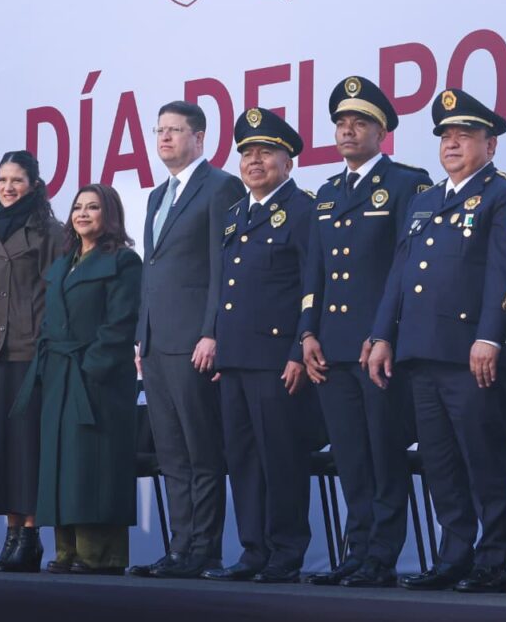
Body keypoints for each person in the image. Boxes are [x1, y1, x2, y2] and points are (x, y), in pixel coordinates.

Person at [367, 89, 506, 593]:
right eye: (446, 135)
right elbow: (400, 274)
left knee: (483, 459)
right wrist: (381, 335)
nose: (453, 143)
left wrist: (490, 337)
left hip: (470, 354)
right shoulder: (426, 199)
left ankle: (493, 560)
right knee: (440, 463)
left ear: (491, 145)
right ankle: (453, 554)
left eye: (465, 135)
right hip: (419, 351)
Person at [300, 76, 431, 588]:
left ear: (383, 132)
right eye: (341, 123)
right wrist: (307, 333)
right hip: (331, 346)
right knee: (350, 454)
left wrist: (387, 333)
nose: (348, 130)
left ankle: (382, 555)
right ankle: (356, 550)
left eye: (360, 122)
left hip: (377, 346)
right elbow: (314, 272)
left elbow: (406, 269)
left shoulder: (406, 184)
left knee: (383, 451)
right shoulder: (328, 193)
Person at [130, 101, 245, 579]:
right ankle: (180, 548)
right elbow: (151, 272)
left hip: (194, 340)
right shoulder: (158, 196)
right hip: (156, 344)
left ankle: (205, 550)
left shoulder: (221, 187)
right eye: (160, 130)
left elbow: (224, 269)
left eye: (175, 130)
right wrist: (140, 337)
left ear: (199, 138)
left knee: (201, 451)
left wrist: (211, 331)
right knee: (172, 453)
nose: (165, 138)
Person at [202, 107, 313, 584]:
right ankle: (253, 550)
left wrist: (296, 352)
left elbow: (312, 286)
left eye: (265, 152)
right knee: (243, 459)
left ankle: (286, 552)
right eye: (246, 153)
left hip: (276, 361)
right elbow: (227, 287)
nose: (253, 161)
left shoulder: (305, 210)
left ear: (287, 160)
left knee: (281, 458)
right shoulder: (233, 216)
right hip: (237, 359)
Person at [12, 184, 141, 576]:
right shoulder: (64, 263)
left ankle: (100, 555)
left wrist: (92, 367)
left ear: (110, 214)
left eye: (93, 207)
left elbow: (120, 324)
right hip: (60, 376)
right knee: (62, 465)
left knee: (93, 466)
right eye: (78, 207)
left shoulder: (123, 262)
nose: (83, 213)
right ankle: (66, 550)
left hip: (97, 379)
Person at [0, 150, 62, 572]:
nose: (7, 188)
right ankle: (10, 537)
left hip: (30, 352)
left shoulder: (52, 233)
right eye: (2, 179)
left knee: (27, 450)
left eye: (16, 180)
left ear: (35, 186)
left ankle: (31, 538)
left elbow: (58, 295)